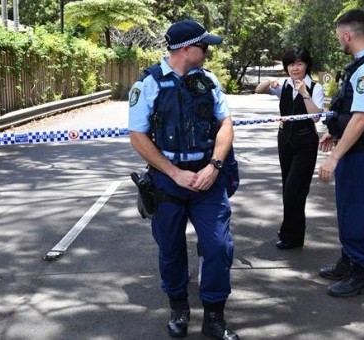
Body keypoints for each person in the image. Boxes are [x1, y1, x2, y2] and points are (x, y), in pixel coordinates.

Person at [128, 19, 239, 340]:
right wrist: (174, 172)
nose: (207, 52)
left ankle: (214, 317)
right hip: (167, 183)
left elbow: (226, 124)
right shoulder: (148, 84)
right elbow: (138, 137)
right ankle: (179, 308)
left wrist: (214, 166)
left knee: (219, 246)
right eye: (204, 47)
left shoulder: (208, 81)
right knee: (171, 249)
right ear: (187, 49)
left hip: (208, 179)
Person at [317, 9, 364, 297]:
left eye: (339, 37)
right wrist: (335, 133)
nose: (340, 42)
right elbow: (351, 114)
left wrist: (334, 157)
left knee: (358, 212)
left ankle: (360, 274)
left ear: (347, 35)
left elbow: (361, 118)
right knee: (349, 210)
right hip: (355, 151)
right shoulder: (362, 64)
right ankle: (348, 261)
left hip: (362, 154)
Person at [255, 48, 325, 249]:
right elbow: (258, 90)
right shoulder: (284, 85)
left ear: (306, 65)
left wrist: (304, 94)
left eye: (300, 64)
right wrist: (269, 82)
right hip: (285, 141)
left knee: (295, 189)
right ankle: (288, 229)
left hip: (305, 144)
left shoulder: (315, 88)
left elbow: (315, 117)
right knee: (288, 186)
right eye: (291, 64)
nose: (295, 68)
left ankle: (294, 237)